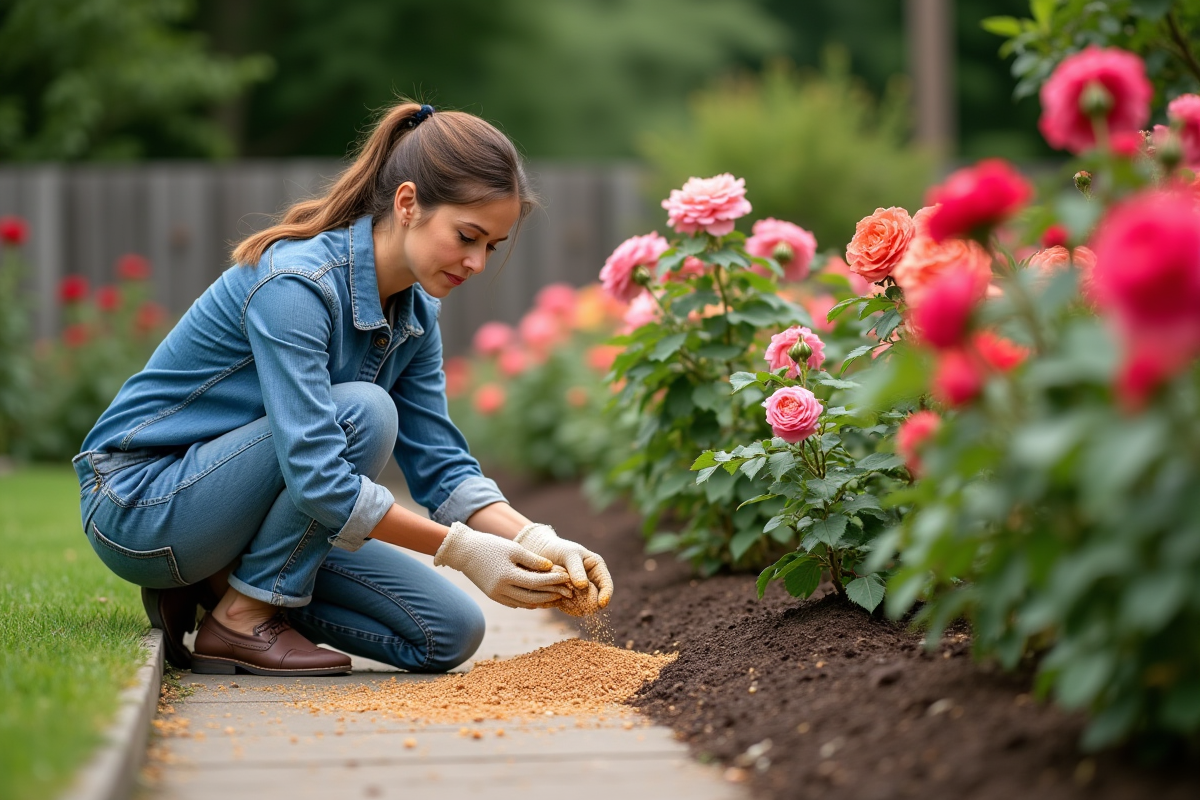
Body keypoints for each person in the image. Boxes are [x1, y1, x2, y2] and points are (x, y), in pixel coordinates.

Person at [73, 102, 613, 677]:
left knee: (449, 633)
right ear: (408, 204)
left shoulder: (415, 312)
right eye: (467, 236)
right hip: (141, 502)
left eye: (492, 246)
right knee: (364, 412)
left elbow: (443, 466)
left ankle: (216, 587)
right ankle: (243, 616)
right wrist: (461, 551)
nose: (477, 262)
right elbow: (319, 478)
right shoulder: (297, 285)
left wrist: (540, 541)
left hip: (238, 511)